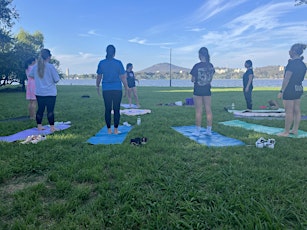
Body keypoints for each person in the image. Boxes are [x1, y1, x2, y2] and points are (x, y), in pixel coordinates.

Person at [96, 45, 128, 134]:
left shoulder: (102, 63)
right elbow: (123, 77)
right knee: (116, 109)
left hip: (106, 89)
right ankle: (116, 130)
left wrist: (97, 86)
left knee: (108, 109)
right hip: (117, 89)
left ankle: (109, 129)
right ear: (114, 53)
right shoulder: (118, 63)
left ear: (106, 52)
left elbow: (99, 76)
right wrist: (126, 87)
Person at [277, 43, 307, 137]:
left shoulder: (291, 64)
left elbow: (287, 79)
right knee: (297, 110)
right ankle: (295, 130)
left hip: (290, 89)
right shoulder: (303, 65)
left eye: (290, 50)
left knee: (289, 111)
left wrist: (281, 91)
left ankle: (286, 132)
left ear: (293, 52)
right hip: (298, 88)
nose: (289, 52)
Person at [29, 49, 60, 132]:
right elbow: (56, 79)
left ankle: (39, 126)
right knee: (50, 111)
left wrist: (39, 80)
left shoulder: (36, 67)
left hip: (39, 92)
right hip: (50, 92)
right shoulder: (50, 67)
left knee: (40, 110)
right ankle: (52, 128)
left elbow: (30, 76)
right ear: (49, 57)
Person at [190, 47, 215, 136]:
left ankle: (197, 131)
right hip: (207, 90)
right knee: (208, 110)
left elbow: (192, 79)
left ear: (200, 55)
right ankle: (209, 130)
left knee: (198, 111)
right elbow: (210, 78)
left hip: (198, 90)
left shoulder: (197, 66)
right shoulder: (211, 66)